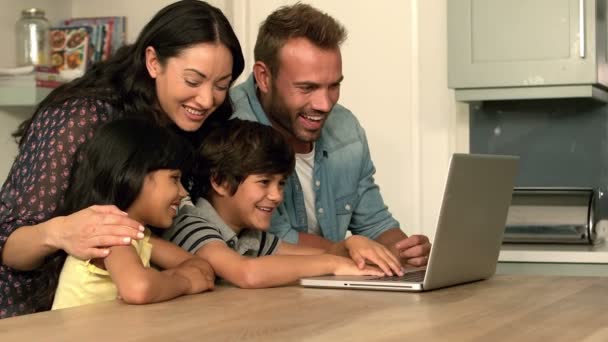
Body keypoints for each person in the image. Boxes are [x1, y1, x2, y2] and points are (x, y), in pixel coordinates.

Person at [0, 0, 244, 318]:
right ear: (153, 62)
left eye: (221, 85)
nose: (207, 99)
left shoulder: (191, 125)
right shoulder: (82, 117)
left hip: (124, 314)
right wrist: (59, 232)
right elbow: (7, 242)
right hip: (31, 317)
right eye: (193, 81)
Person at [230, 3, 431, 267]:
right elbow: (274, 240)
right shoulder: (232, 127)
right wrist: (352, 250)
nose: (325, 104)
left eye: (333, 85)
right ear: (264, 77)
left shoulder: (346, 129)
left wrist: (404, 251)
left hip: (330, 292)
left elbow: (375, 223)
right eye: (307, 87)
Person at [164, 119, 404, 289]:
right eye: (264, 182)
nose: (277, 195)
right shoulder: (191, 224)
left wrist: (352, 246)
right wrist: (333, 263)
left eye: (281, 183)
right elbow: (247, 273)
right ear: (220, 181)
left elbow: (312, 256)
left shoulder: (249, 236)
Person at [52, 119, 214, 310]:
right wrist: (186, 281)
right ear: (134, 175)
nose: (183, 192)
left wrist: (166, 279)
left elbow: (200, 266)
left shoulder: (139, 235)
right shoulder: (109, 233)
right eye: (175, 179)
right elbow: (139, 289)